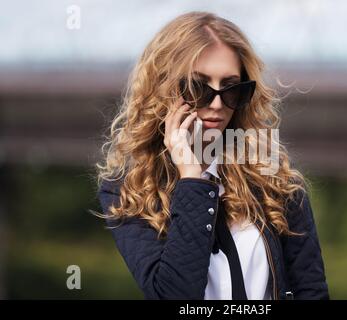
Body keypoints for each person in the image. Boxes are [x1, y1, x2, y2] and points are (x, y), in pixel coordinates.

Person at [96, 11, 329, 300]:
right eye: (198, 87)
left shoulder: (271, 173)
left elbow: (311, 290)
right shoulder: (127, 188)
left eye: (231, 88)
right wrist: (192, 179)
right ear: (163, 87)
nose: (218, 104)